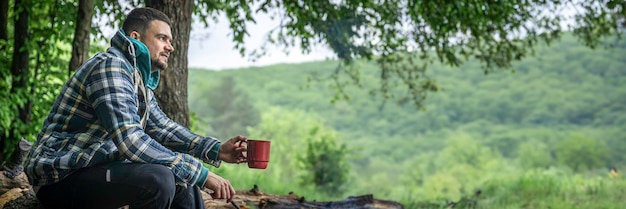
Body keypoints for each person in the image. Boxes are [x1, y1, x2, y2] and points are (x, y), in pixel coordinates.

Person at [24, 7, 247, 209]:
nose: (170, 47)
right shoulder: (110, 67)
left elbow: (162, 128)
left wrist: (217, 149)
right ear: (135, 37)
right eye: (162, 38)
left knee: (183, 181)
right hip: (59, 177)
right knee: (158, 179)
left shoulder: (136, 79)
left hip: (91, 169)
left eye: (170, 41)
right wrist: (200, 173)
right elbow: (131, 140)